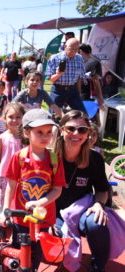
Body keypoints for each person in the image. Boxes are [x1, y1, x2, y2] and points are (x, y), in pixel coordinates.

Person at [53, 110, 121, 272]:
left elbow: (102, 190)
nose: (77, 133)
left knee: (97, 221)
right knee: (49, 234)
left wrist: (98, 204)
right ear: (62, 130)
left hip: (82, 210)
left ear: (88, 133)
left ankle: (98, 266)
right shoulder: (50, 157)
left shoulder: (94, 158)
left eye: (82, 130)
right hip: (55, 213)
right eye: (71, 129)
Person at [0, 109, 65, 271]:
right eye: (40, 132)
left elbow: (57, 190)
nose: (45, 136)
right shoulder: (19, 157)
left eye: (49, 132)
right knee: (18, 253)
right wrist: (5, 209)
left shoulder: (54, 159)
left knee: (36, 255)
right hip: (21, 217)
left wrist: (40, 202)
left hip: (43, 218)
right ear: (27, 133)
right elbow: (11, 186)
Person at [0, 102, 25, 207]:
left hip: (23, 176)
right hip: (5, 176)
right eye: (11, 117)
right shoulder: (1, 138)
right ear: (4, 118)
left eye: (18, 117)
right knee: (4, 202)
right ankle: (3, 222)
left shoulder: (27, 138)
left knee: (20, 202)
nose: (14, 120)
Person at [46, 38, 87, 113]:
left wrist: (79, 93)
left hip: (73, 90)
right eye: (71, 49)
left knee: (82, 114)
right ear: (65, 46)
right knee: (52, 115)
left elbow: (79, 78)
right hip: (58, 90)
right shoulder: (54, 58)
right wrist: (58, 74)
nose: (73, 52)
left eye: (76, 49)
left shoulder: (79, 58)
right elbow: (51, 79)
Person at [78, 44, 104, 109]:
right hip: (82, 95)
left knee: (87, 115)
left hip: (89, 96)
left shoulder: (94, 62)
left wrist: (99, 97)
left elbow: (95, 80)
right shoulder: (82, 62)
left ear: (81, 51)